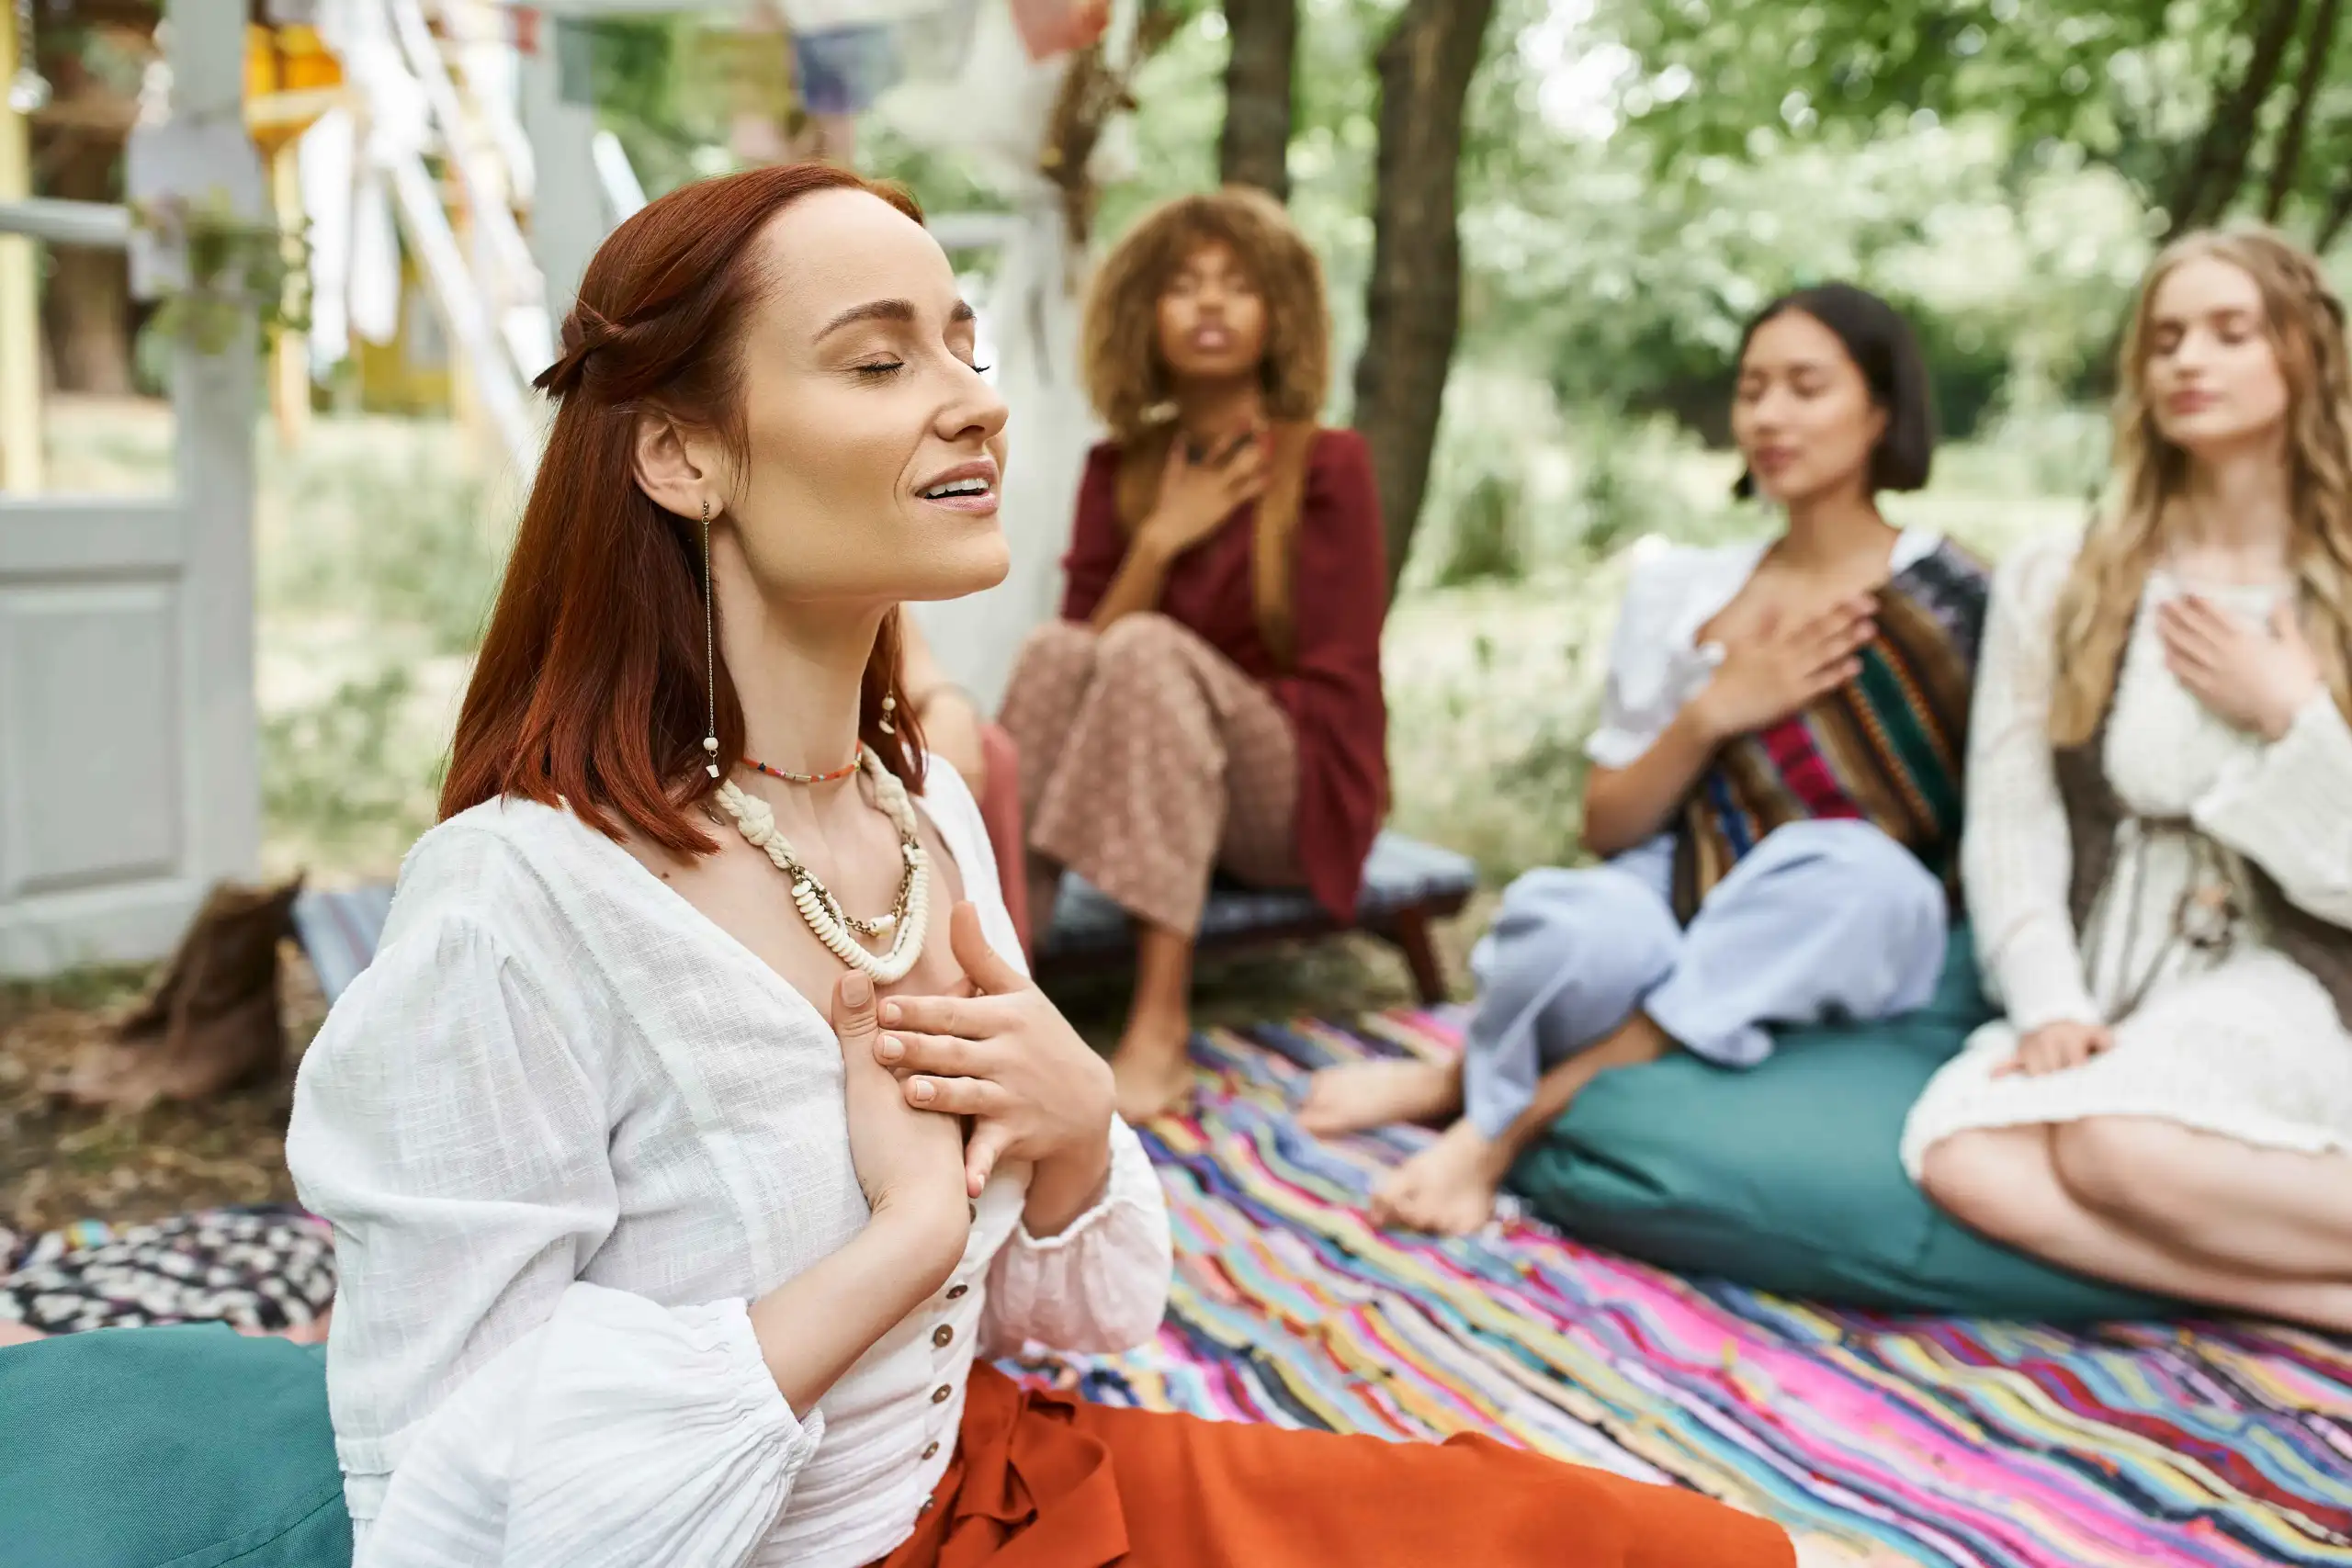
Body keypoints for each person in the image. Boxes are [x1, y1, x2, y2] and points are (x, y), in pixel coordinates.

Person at [282, 164, 1797, 1566]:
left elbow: (1067, 1305)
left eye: (965, 348)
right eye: (882, 363)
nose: (974, 405)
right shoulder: (520, 903)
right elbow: (444, 1507)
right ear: (682, 454)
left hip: (1010, 1468)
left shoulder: (923, 809)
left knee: (1694, 1550)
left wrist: (1071, 1130)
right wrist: (902, 1241)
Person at [1303, 285, 1987, 1235]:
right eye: (1752, 390)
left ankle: (1495, 1114)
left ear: (1880, 408)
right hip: (1690, 878)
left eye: (1805, 387)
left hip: (1850, 915)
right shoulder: (1685, 589)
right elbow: (1607, 825)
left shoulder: (1953, 596)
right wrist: (1712, 712)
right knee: (1568, 926)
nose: (1769, 416)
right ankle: (1461, 1073)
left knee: (1851, 872)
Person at [1904, 228, 2352, 1331]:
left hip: (2292, 974)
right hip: (2106, 972)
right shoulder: (2065, 577)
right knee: (1962, 1156)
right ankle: (2323, 1301)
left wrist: (2287, 715)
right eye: (2164, 340)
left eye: (2226, 332)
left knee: (2113, 1142)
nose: (2185, 362)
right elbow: (2011, 820)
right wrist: (2049, 998)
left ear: (2301, 355)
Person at [997, 187, 1388, 1123]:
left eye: (1236, 286)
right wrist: (1164, 537)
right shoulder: (1117, 469)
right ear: (1143, 314)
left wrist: (1193, 704)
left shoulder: (1327, 465)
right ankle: (1002, 979)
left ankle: (1159, 1025)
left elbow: (1335, 682)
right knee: (1060, 648)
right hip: (1156, 782)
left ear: (1277, 313)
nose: (1210, 304)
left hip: (1289, 795)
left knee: (1141, 650)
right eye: (1183, 286)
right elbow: (1080, 662)